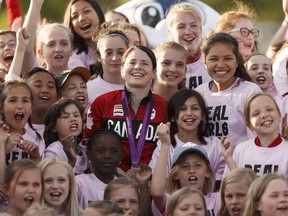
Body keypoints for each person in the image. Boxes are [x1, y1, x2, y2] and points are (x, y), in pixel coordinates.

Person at [85, 45, 167, 172]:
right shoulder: (102, 102)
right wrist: (114, 170)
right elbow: (88, 144)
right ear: (122, 70)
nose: (137, 67)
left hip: (151, 181)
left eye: (144, 63)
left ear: (154, 74)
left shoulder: (165, 107)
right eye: (132, 62)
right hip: (109, 180)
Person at [149, 89, 225, 190]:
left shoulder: (215, 145)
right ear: (172, 117)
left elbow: (222, 186)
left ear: (203, 115)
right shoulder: (165, 144)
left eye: (195, 108)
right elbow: (158, 189)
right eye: (182, 109)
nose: (189, 113)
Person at [196, 32, 261, 145]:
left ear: (237, 62)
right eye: (213, 59)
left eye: (227, 58)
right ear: (204, 62)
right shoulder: (199, 93)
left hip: (239, 161)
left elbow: (257, 139)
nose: (220, 64)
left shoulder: (250, 91)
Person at [151, 133, 220, 216]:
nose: (192, 171)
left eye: (197, 165)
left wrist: (229, 159)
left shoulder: (216, 201)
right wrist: (165, 146)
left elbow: (238, 191)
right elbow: (157, 193)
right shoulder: (171, 201)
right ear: (176, 174)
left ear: (207, 172)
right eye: (185, 166)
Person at [222, 93, 288, 178]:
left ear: (279, 116)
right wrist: (229, 160)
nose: (264, 115)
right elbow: (228, 187)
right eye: (256, 113)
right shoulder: (240, 151)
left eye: (269, 109)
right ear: (249, 125)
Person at [166, 3, 211, 89]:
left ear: (201, 29)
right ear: (170, 33)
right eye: (181, 27)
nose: (188, 32)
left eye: (194, 25)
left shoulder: (213, 61)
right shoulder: (161, 65)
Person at [76, 129, 123, 209]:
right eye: (100, 151)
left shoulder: (125, 187)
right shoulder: (79, 183)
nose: (107, 156)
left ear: (121, 156)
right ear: (89, 155)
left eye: (114, 152)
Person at [0, 81, 44, 164]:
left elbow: (39, 174)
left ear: (31, 109)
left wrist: (36, 158)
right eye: (13, 100)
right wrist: (4, 150)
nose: (20, 106)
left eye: (25, 100)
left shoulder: (37, 138)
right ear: (2, 107)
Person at [44, 98, 88, 175]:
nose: (73, 119)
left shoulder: (85, 150)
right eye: (65, 117)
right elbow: (53, 180)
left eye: (76, 115)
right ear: (53, 127)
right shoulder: (54, 151)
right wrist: (71, 161)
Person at [87, 27, 128, 104]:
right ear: (98, 56)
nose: (115, 58)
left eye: (120, 52)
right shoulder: (89, 90)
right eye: (108, 53)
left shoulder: (140, 85)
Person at [63, 0, 105, 73]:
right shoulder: (72, 54)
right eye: (75, 16)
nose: (81, 18)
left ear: (98, 13)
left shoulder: (116, 41)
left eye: (86, 11)